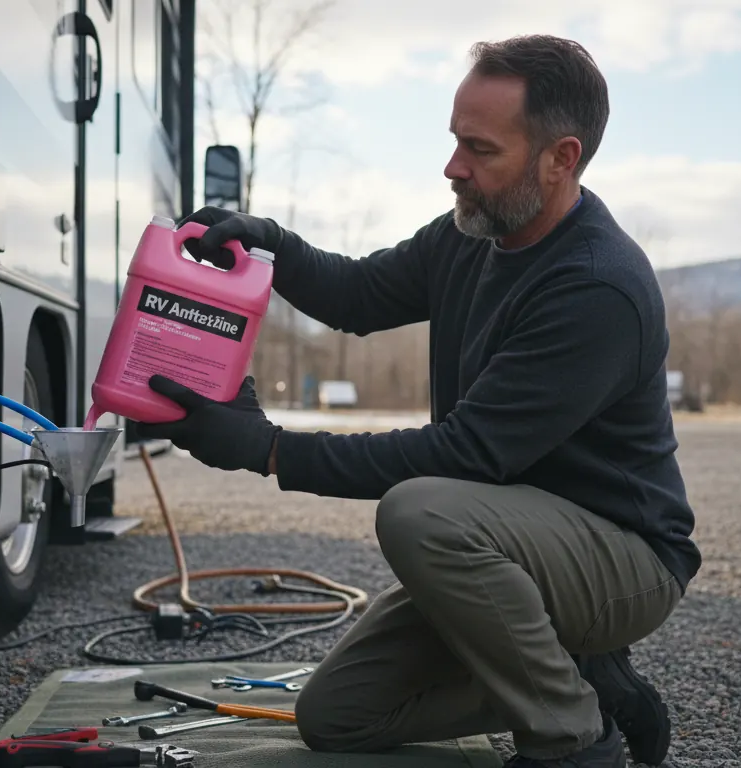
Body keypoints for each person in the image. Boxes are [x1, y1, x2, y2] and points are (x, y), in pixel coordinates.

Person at [133, 33, 701, 768]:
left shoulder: (596, 286)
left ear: (561, 159)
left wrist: (270, 449)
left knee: (419, 511)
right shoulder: (475, 233)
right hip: (505, 540)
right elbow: (359, 294)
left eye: (481, 150)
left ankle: (570, 736)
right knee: (338, 717)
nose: (453, 167)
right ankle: (584, 677)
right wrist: (268, 245)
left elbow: (468, 454)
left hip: (622, 556)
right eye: (454, 140)